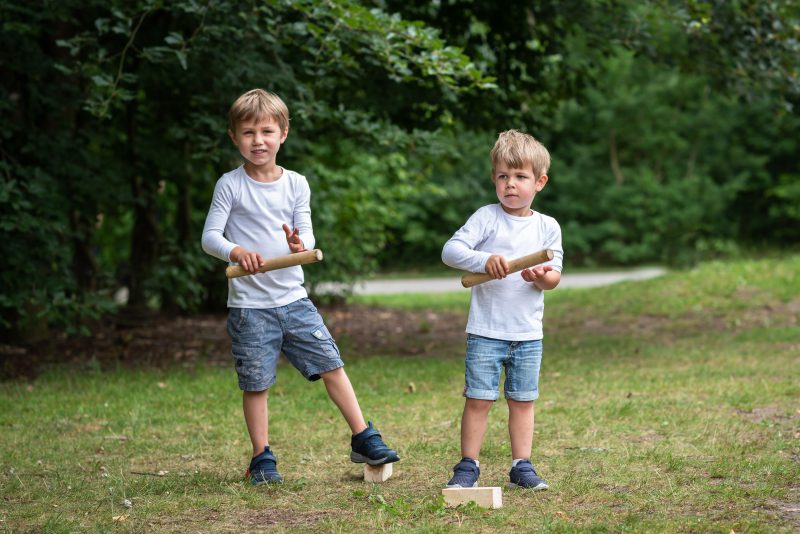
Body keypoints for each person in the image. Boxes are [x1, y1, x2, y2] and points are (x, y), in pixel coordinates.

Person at [201, 89, 399, 485]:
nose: (258, 140)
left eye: (267, 131)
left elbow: (306, 233)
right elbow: (210, 238)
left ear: (283, 134)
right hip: (250, 306)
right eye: (248, 132)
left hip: (294, 299)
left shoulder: (296, 184)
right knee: (256, 383)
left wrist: (300, 246)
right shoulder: (230, 185)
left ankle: (364, 436)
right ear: (234, 137)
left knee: (331, 364)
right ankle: (261, 457)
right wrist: (236, 251)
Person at [441, 129, 563, 490]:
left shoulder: (547, 227)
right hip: (486, 331)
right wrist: (485, 260)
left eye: (521, 177)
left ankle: (521, 465)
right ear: (494, 178)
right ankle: (468, 466)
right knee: (478, 399)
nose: (511, 184)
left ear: (539, 182)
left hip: (527, 335)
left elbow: (555, 276)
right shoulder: (486, 218)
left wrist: (541, 277)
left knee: (522, 402)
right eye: (503, 176)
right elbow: (450, 251)